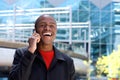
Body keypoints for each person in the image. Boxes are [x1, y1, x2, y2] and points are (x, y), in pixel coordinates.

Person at [8, 14, 75, 80]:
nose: (47, 28)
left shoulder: (67, 62)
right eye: (42, 25)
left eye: (51, 26)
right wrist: (30, 51)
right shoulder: (22, 54)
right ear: (35, 30)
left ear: (56, 31)